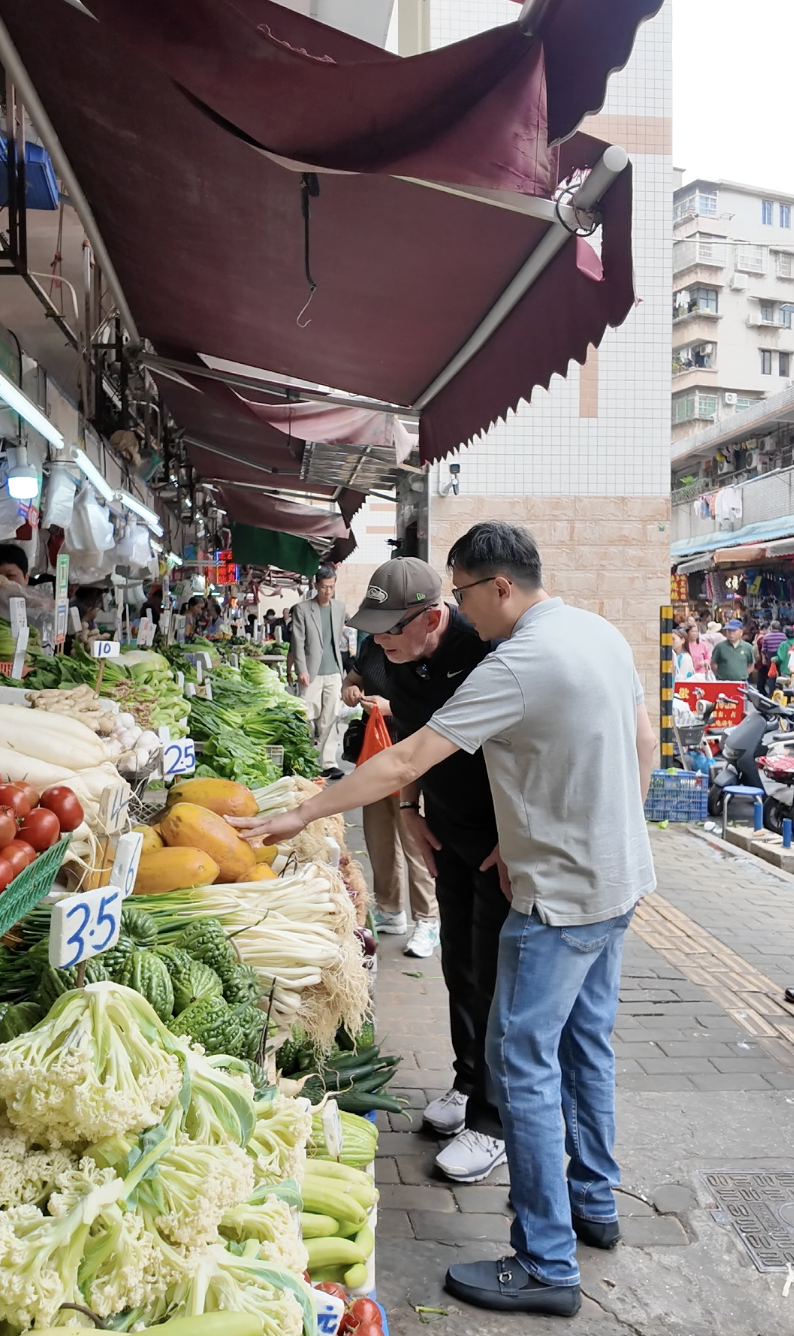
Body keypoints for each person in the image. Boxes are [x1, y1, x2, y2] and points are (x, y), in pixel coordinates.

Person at [229, 522, 655, 1317]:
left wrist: (303, 815)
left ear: (499, 586)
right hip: (618, 880)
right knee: (585, 1046)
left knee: (522, 1060)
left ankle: (545, 1261)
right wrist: (611, 830)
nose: (461, 610)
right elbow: (644, 744)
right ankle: (595, 1206)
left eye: (461, 593)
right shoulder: (598, 631)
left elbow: (401, 760)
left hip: (557, 897)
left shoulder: (519, 658)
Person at [342, 634, 440, 959]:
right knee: (378, 836)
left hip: (412, 754)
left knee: (414, 842)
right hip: (374, 754)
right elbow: (351, 679)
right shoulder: (371, 645)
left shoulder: (424, 644)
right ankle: (390, 909)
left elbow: (437, 701)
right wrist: (351, 691)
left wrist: (391, 707)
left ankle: (427, 919)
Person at [290, 565, 347, 779]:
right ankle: (305, 757)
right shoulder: (302, 609)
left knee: (331, 717)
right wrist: (300, 669)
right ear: (316, 586)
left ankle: (328, 762)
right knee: (306, 714)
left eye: (331, 587)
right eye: (324, 587)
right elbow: (298, 641)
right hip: (310, 672)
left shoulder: (340, 608)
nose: (328, 592)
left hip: (334, 670)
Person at [759, 619, 786, 695]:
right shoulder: (783, 636)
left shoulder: (766, 636)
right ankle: (781, 691)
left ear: (771, 627)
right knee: (781, 674)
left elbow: (763, 650)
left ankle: (771, 693)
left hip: (770, 657)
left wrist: (764, 659)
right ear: (779, 627)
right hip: (780, 656)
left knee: (771, 675)